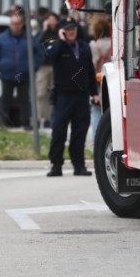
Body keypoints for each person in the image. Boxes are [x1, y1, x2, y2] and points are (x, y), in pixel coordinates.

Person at [44, 16, 99, 177]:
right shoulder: (58, 46)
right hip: (63, 96)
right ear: (62, 31)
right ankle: (56, 165)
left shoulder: (83, 47)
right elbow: (49, 57)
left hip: (81, 96)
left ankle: (79, 165)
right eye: (67, 29)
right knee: (59, 131)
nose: (71, 32)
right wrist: (60, 41)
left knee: (79, 133)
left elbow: (90, 70)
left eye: (73, 29)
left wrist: (94, 92)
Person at [0, 12, 43, 129]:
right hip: (7, 74)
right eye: (13, 24)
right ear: (10, 24)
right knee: (5, 99)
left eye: (18, 24)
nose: (15, 26)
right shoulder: (2, 38)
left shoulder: (29, 38)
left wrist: (33, 67)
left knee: (24, 100)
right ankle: (3, 122)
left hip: (23, 75)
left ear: (22, 24)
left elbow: (39, 53)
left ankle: (25, 123)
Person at [88, 15, 111, 140]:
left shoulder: (94, 45)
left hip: (97, 81)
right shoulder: (112, 44)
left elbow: (91, 63)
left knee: (96, 109)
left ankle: (96, 139)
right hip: (110, 80)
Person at [36, 12, 59, 127]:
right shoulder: (42, 33)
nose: (51, 22)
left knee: (51, 93)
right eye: (49, 19)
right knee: (40, 93)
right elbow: (37, 44)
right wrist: (44, 30)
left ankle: (48, 118)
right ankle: (38, 117)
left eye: (53, 19)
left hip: (55, 66)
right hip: (43, 66)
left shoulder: (59, 33)